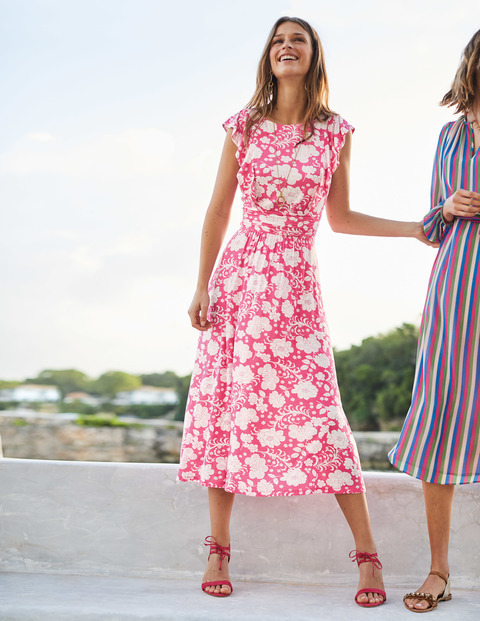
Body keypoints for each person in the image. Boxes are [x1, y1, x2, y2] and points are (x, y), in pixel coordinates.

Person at [178, 16, 430, 606]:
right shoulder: (242, 127)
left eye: (298, 39)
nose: (285, 46)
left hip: (295, 285)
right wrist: (201, 286)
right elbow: (218, 212)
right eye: (277, 39)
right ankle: (218, 545)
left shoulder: (336, 132)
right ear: (268, 56)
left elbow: (341, 220)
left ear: (313, 56)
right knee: (228, 407)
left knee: (321, 412)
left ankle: (367, 556)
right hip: (239, 280)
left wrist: (416, 229)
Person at [388, 29, 480, 613]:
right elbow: (430, 229)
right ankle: (439, 570)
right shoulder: (449, 135)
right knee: (442, 414)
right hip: (455, 292)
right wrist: (444, 208)